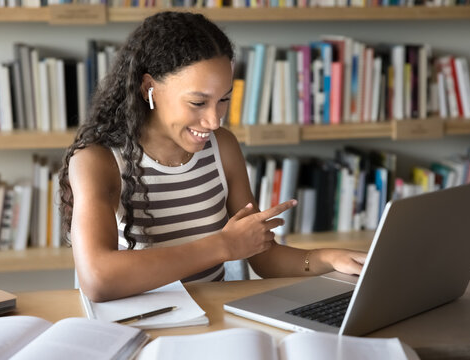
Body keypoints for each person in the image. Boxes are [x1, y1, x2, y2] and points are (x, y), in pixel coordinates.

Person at [59, 11, 367, 303]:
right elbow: (98, 278)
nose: (214, 121)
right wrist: (223, 245)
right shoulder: (98, 160)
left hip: (214, 320)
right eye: (197, 102)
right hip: (140, 326)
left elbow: (264, 257)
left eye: (223, 100)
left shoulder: (223, 147)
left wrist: (330, 257)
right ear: (148, 88)